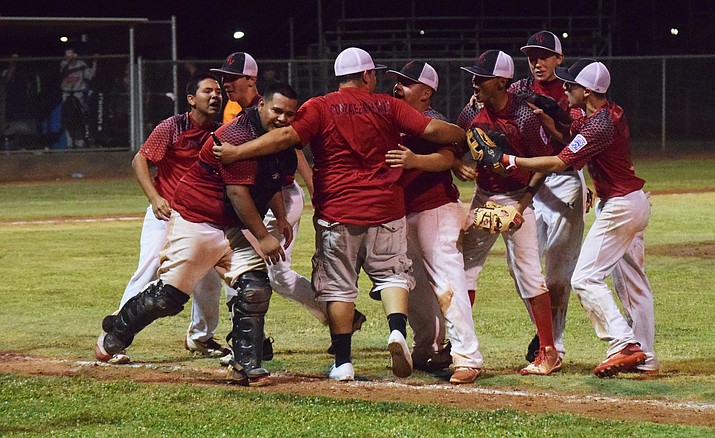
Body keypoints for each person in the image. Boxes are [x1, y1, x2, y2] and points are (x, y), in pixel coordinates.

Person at [212, 47, 465, 382]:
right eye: (374, 73)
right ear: (366, 75)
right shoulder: (389, 106)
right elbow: (435, 132)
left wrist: (237, 152)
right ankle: (396, 332)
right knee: (392, 276)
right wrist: (464, 136)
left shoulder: (320, 105)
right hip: (386, 206)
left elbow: (286, 137)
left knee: (339, 289)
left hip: (338, 210)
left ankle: (343, 362)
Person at [96, 82, 300, 387]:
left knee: (254, 288)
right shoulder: (236, 136)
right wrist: (265, 236)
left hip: (231, 224)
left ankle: (246, 364)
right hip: (198, 219)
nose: (284, 118)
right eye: (277, 111)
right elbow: (238, 194)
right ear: (261, 106)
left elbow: (271, 183)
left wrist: (282, 217)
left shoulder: (278, 143)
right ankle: (116, 331)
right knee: (168, 297)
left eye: (290, 114)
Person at [478, 59, 658, 377]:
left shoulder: (600, 124)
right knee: (633, 285)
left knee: (584, 278)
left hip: (620, 207)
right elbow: (566, 130)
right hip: (632, 201)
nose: (565, 88)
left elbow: (561, 162)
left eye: (571, 85)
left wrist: (509, 159)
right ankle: (646, 357)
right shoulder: (601, 112)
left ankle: (624, 344)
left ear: (587, 91)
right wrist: (548, 115)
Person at [211, 53, 362, 362]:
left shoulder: (271, 109)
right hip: (265, 197)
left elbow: (298, 154)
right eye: (224, 77)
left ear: (252, 81)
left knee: (244, 266)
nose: (226, 83)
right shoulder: (236, 112)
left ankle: (250, 339)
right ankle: (341, 320)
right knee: (270, 275)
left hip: (278, 196)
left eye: (232, 77)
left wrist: (315, 192)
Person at [94, 73, 228, 364]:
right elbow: (140, 160)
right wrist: (155, 198)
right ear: (191, 99)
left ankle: (200, 338)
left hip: (199, 219)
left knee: (208, 282)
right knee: (150, 270)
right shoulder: (173, 126)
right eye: (208, 91)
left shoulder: (221, 134)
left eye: (218, 91)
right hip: (166, 214)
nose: (216, 96)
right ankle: (115, 335)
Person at [455, 49, 561, 376]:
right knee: (464, 271)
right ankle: (460, 347)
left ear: (501, 82)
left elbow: (542, 167)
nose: (474, 81)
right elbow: (458, 147)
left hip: (518, 197)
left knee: (529, 273)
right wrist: (459, 165)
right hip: (484, 197)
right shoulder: (470, 113)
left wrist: (520, 207)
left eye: (481, 77)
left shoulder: (525, 118)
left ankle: (549, 351)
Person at [384, 60, 483, 384]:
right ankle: (426, 347)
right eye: (397, 81)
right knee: (413, 289)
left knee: (447, 284)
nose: (398, 86)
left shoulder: (432, 119)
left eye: (406, 83)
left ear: (426, 92)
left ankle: (467, 357)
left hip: (436, 209)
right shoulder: (393, 117)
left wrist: (414, 160)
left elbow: (446, 157)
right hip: (406, 211)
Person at [508, 30, 587, 363]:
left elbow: (586, 139)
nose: (537, 62)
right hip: (530, 185)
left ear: (559, 58)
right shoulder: (518, 90)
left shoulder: (570, 91)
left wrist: (588, 179)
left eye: (544, 56)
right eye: (531, 56)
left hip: (564, 180)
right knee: (520, 268)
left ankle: (553, 343)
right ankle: (546, 337)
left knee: (557, 274)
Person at [59, 47, 97, 147]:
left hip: (78, 93)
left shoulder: (81, 64)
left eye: (70, 53)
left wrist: (94, 62)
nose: (69, 55)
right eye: (67, 53)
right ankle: (70, 143)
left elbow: (90, 75)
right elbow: (63, 72)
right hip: (67, 93)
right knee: (67, 117)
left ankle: (80, 141)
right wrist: (70, 61)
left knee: (81, 116)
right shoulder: (63, 64)